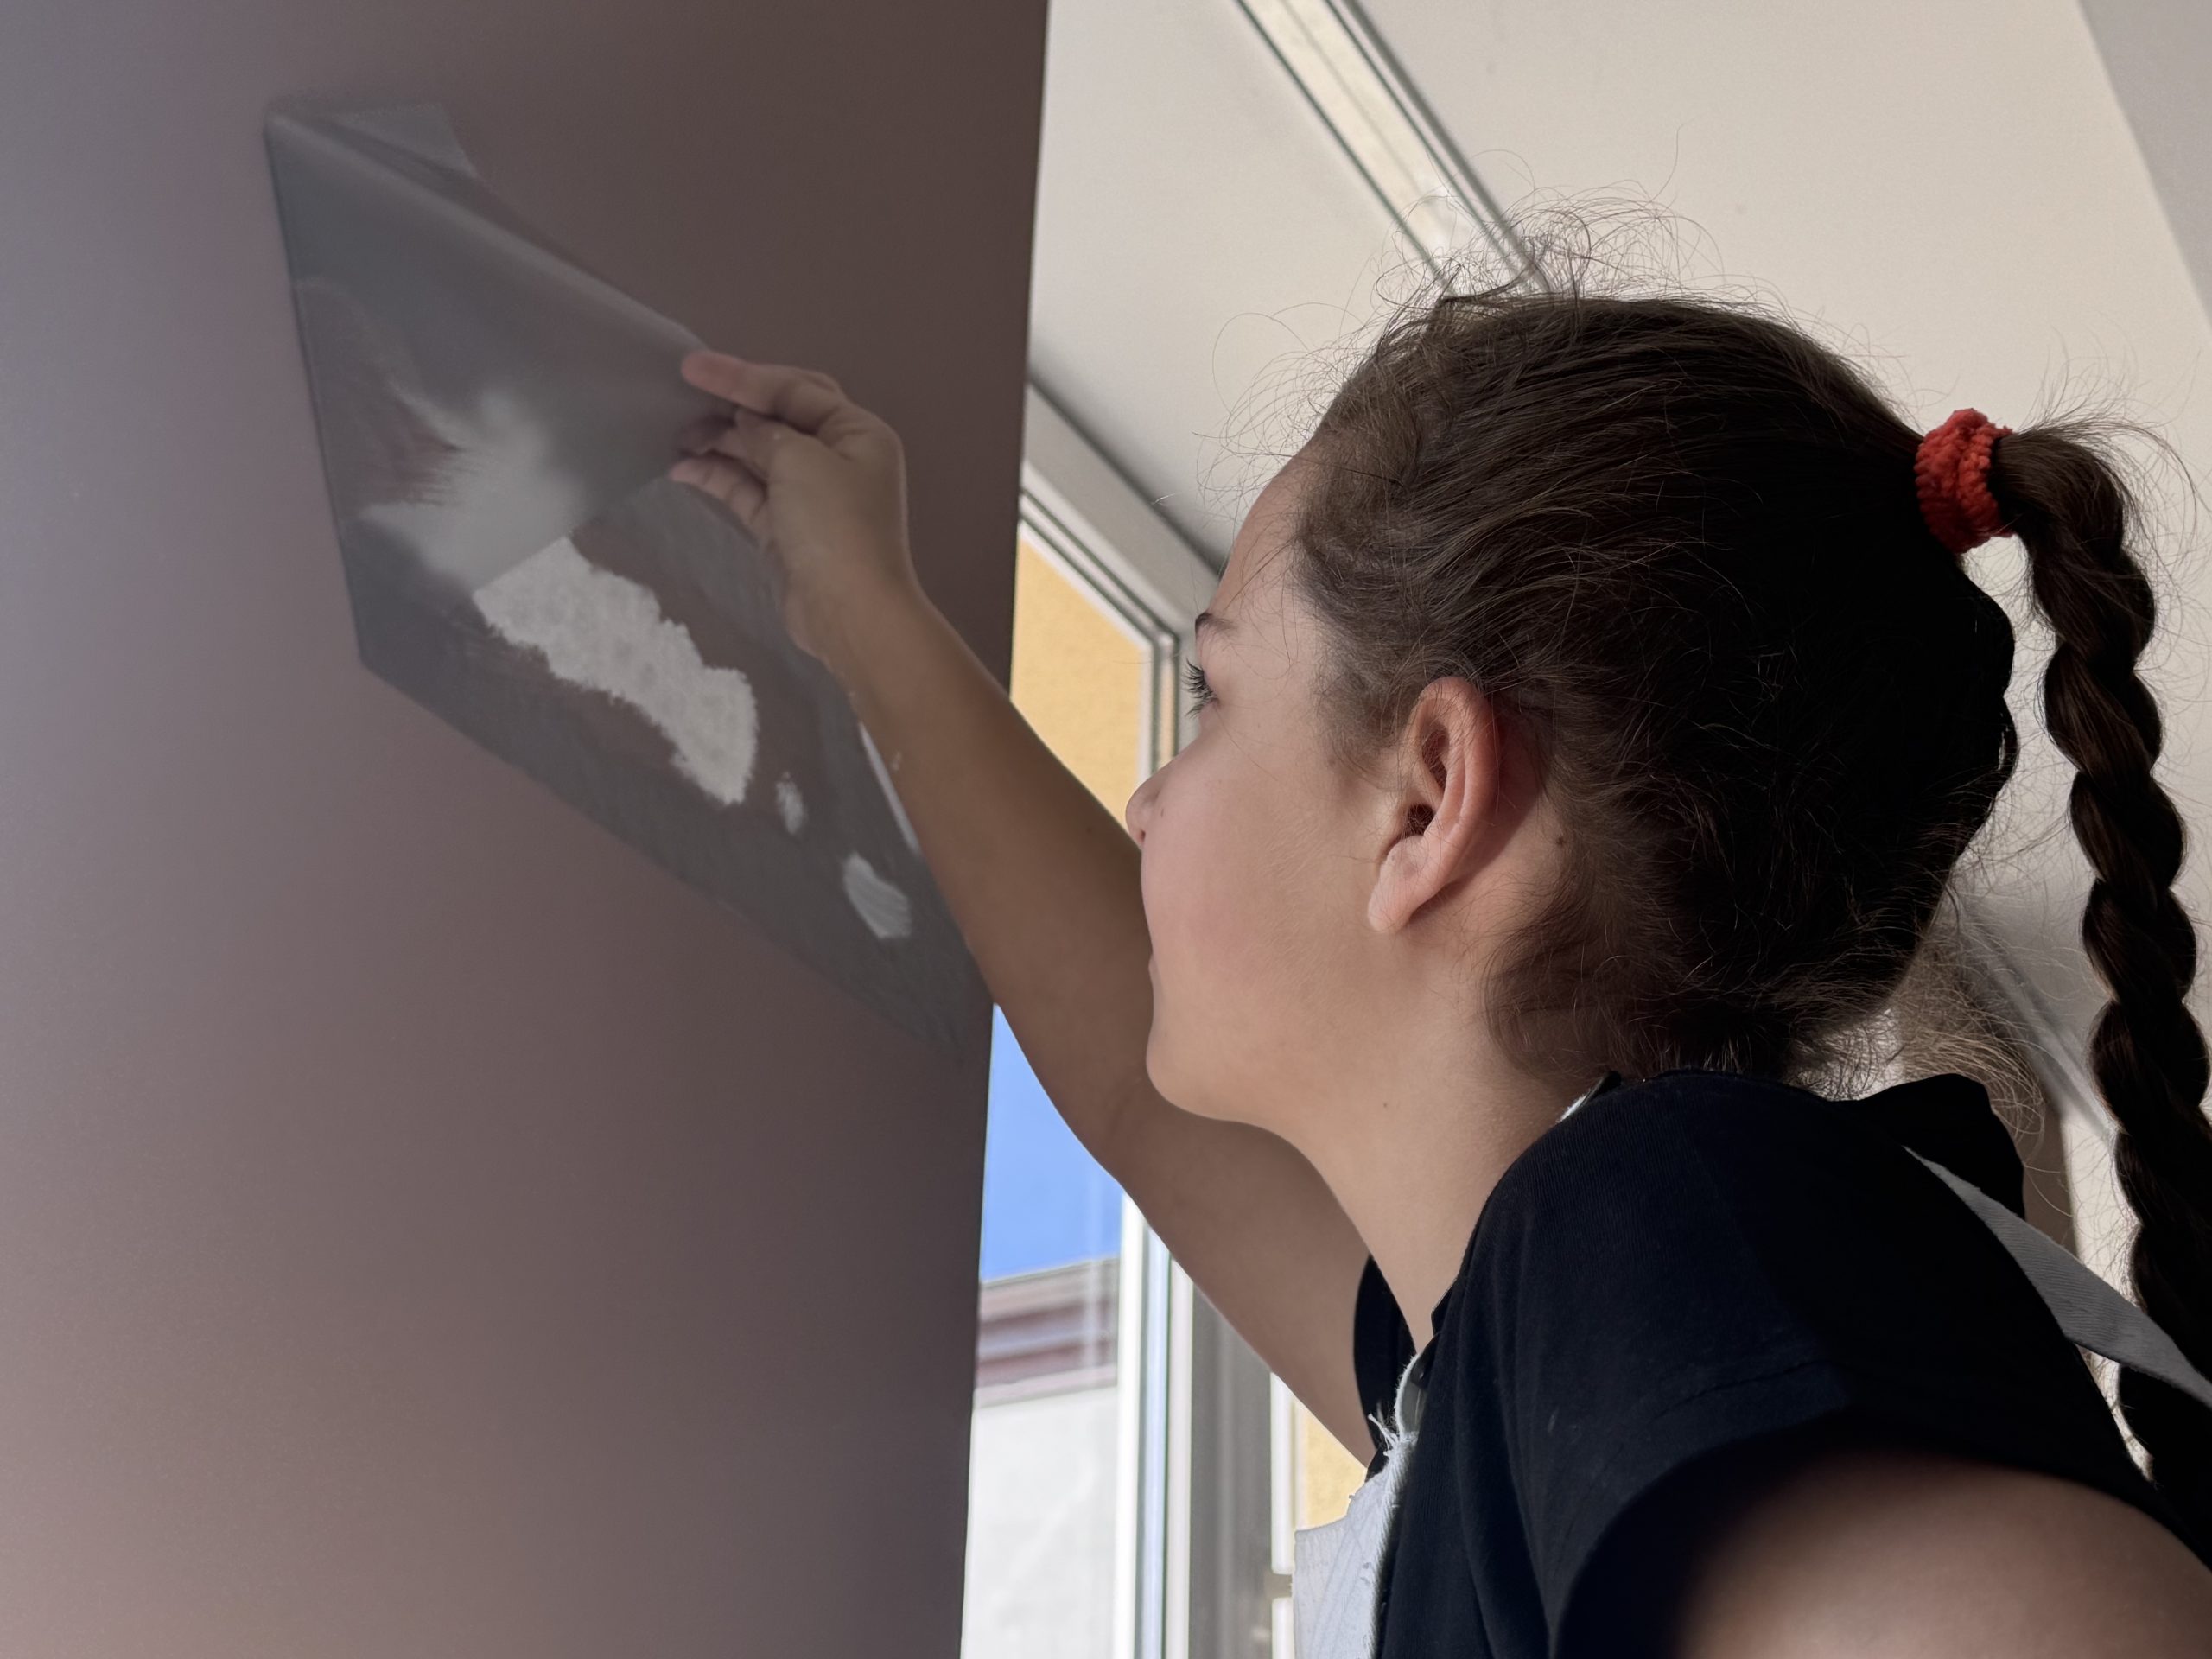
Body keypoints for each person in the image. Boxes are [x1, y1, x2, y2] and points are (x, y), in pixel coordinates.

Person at [667, 259, 2212, 1655]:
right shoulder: (1546, 1343)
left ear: (1426, 799)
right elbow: (1137, 1099)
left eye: (1211, 699)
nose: (1148, 801)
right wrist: (860, 609)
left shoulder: (1669, 1226)